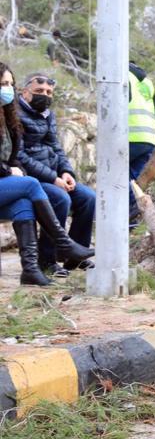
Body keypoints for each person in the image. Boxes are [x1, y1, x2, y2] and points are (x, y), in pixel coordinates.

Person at [0, 63, 93, 286]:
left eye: (10, 84)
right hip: (33, 177)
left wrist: (66, 171)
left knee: (87, 198)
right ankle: (61, 246)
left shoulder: (9, 114)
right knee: (40, 189)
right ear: (26, 91)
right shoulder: (18, 113)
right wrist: (47, 177)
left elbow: (54, 148)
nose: (8, 88)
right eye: (4, 84)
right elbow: (19, 158)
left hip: (20, 179)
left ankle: (31, 271)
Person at [127, 61, 155, 226]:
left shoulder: (121, 75)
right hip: (148, 138)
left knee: (118, 180)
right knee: (132, 181)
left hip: (130, 136)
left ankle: (131, 211)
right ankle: (132, 221)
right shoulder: (147, 82)